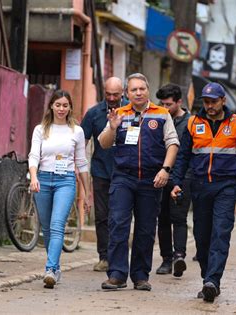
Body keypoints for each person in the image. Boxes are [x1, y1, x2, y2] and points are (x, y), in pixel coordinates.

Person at [171, 82, 236, 303]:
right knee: (202, 235)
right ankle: (207, 277)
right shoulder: (193, 123)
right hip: (199, 187)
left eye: (213, 102)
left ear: (223, 101)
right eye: (206, 102)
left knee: (221, 233)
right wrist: (176, 182)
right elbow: (182, 157)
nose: (209, 106)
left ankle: (213, 281)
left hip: (226, 187)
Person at [98, 73, 179, 291]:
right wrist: (113, 127)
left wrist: (165, 170)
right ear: (127, 93)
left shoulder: (162, 114)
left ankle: (141, 275)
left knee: (145, 229)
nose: (138, 93)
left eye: (142, 88)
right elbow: (104, 143)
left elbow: (172, 143)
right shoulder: (119, 114)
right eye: (134, 90)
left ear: (148, 89)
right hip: (123, 177)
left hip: (151, 179)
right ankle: (116, 274)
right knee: (118, 224)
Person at [28, 90, 91, 289]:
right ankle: (55, 268)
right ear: (51, 106)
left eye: (65, 105)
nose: (61, 109)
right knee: (46, 229)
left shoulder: (77, 131)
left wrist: (87, 193)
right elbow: (34, 156)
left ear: (70, 107)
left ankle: (49, 269)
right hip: (43, 180)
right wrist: (34, 177)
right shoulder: (40, 129)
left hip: (66, 181)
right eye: (58, 105)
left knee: (57, 225)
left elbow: (81, 163)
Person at [81, 77, 127, 272]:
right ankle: (104, 257)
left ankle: (119, 256)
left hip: (125, 171)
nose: (111, 98)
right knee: (102, 215)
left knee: (120, 216)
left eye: (115, 94)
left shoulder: (131, 112)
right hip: (101, 171)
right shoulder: (93, 114)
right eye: (108, 94)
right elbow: (81, 142)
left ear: (123, 92)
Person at [154, 84, 192, 277]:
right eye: (162, 103)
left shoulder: (190, 122)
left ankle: (179, 256)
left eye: (169, 104)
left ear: (179, 102)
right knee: (162, 219)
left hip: (183, 177)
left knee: (179, 217)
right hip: (161, 175)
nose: (165, 107)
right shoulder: (159, 118)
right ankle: (166, 259)